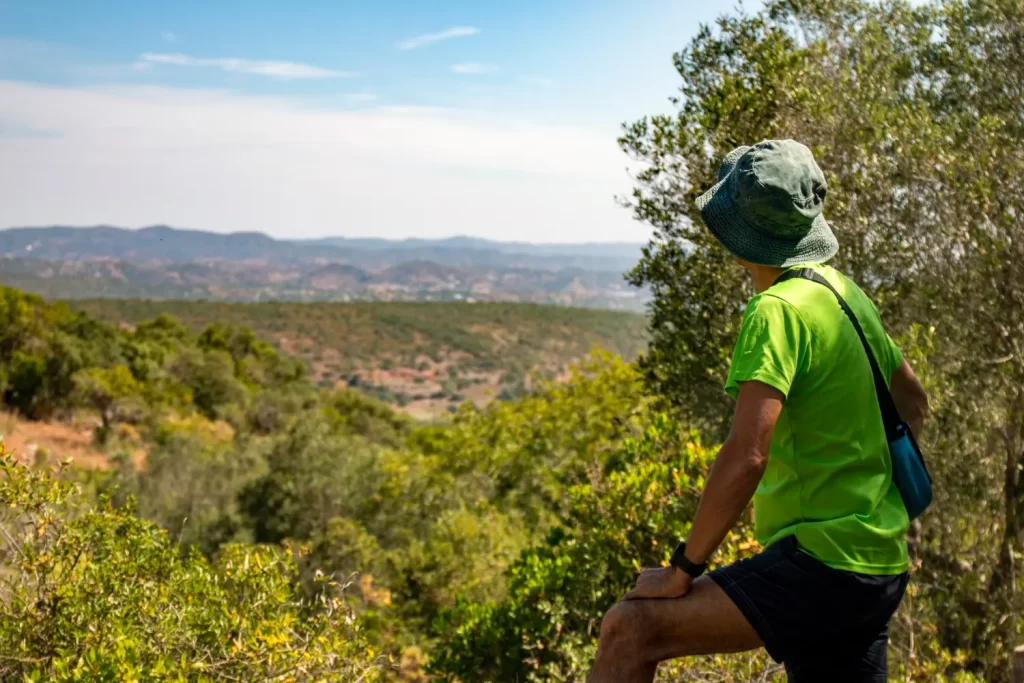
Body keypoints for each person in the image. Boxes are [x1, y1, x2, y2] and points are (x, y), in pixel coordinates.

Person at [587, 140, 930, 683]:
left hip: (823, 565)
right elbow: (915, 402)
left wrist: (684, 568)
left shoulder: (775, 312)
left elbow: (747, 456)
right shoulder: (844, 293)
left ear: (739, 234)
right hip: (878, 563)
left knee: (629, 629)